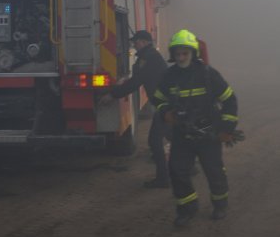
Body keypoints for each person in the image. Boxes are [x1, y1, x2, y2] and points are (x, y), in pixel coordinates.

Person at [152, 29, 238, 226]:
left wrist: (227, 128)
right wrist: (165, 111)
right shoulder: (169, 76)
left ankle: (220, 205)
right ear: (173, 54)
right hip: (182, 133)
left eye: (185, 53)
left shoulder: (208, 75)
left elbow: (230, 100)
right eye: (178, 54)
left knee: (214, 170)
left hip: (209, 133)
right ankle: (187, 209)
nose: (181, 57)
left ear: (193, 53)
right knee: (177, 170)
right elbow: (157, 98)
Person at [100, 30, 169, 188]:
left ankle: (164, 179)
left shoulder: (148, 58)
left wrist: (113, 94)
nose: (134, 45)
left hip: (166, 105)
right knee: (173, 136)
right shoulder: (148, 56)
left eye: (136, 42)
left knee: (155, 140)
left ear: (144, 42)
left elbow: (136, 82)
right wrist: (124, 80)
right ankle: (182, 168)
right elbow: (137, 77)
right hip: (166, 104)